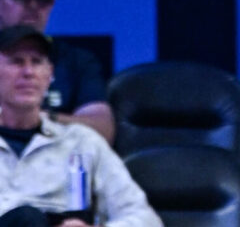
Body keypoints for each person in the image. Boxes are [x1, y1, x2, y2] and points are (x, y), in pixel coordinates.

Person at [0, 25, 162, 227]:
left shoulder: (82, 142)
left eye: (37, 62)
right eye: (16, 61)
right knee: (27, 218)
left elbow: (146, 219)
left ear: (50, 75)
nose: (28, 72)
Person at [0, 0, 115, 143]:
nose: (33, 5)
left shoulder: (76, 60)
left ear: (52, 5)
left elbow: (102, 130)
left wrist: (38, 119)